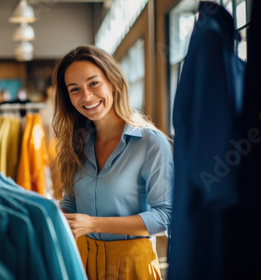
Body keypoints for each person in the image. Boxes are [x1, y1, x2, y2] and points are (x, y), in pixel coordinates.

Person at [52, 45, 174, 280]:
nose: (86, 96)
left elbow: (165, 216)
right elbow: (71, 203)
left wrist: (94, 224)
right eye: (75, 89)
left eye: (93, 83)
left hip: (132, 265)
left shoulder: (150, 142)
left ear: (112, 82)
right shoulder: (76, 143)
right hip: (81, 260)